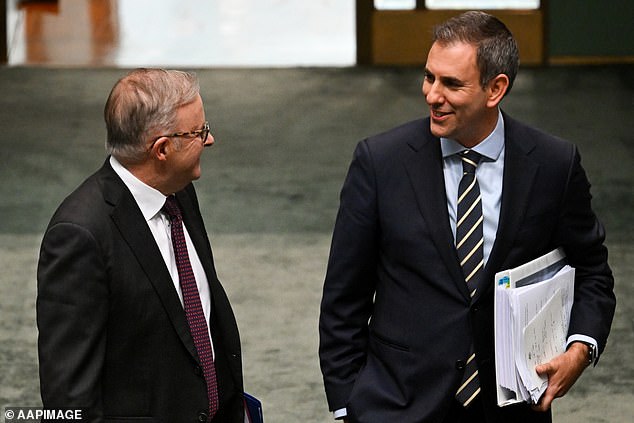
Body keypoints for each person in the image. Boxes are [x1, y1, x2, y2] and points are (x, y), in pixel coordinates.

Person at [318, 11, 616, 423]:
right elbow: (343, 299)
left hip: (511, 409)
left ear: (495, 89)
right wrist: (348, 405)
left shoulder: (552, 164)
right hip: (397, 405)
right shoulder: (380, 162)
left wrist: (579, 350)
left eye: (451, 83)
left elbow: (592, 271)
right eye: (429, 77)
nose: (432, 95)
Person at [37, 68, 244, 422]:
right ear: (161, 150)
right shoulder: (79, 235)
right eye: (199, 132)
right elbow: (68, 399)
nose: (209, 141)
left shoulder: (178, 191)